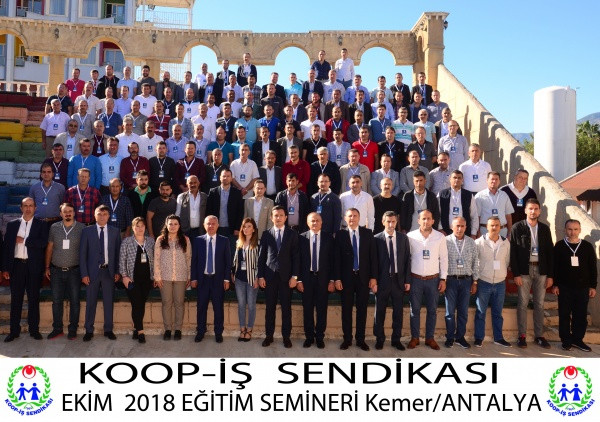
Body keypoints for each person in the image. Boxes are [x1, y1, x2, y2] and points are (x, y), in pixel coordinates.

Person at [2, 198, 48, 343]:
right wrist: (5, 268)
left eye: (31, 206)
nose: (28, 208)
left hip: (33, 267)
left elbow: (43, 243)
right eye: (25, 206)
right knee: (16, 299)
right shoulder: (12, 225)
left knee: (34, 298)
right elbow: (6, 248)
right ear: (21, 208)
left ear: (35, 208)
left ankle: (34, 330)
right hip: (17, 266)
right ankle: (13, 331)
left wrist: (25, 241)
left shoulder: (42, 224)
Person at [510, 198, 554, 349]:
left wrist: (550, 275)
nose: (533, 211)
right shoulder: (517, 227)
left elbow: (550, 253)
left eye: (535, 209)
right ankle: (522, 335)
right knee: (522, 303)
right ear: (525, 210)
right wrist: (516, 274)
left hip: (541, 270)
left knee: (539, 304)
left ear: (539, 211)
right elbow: (513, 253)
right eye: (530, 208)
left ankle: (539, 336)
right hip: (524, 270)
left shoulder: (545, 229)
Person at [334, 208, 377, 351]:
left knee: (362, 310)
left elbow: (372, 257)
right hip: (346, 278)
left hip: (363, 278)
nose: (352, 218)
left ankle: (360, 340)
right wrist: (337, 279)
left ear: (359, 218)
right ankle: (347, 339)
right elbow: (337, 259)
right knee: (346, 310)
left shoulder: (368, 233)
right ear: (345, 219)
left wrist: (373, 277)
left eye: (355, 216)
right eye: (349, 216)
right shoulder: (340, 235)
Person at [258, 206, 300, 348]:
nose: (278, 218)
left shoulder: (292, 234)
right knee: (270, 308)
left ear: (286, 217)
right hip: (269, 277)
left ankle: (286, 337)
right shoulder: (266, 234)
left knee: (286, 308)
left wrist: (294, 277)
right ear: (271, 218)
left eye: (281, 215)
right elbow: (261, 257)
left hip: (286, 278)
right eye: (276, 215)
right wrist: (260, 276)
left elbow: (296, 257)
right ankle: (269, 336)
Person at [553, 219, 597, 352]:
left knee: (581, 315)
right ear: (565, 230)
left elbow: (593, 268)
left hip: (582, 288)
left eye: (575, 229)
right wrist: (555, 285)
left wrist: (593, 286)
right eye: (570, 229)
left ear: (580, 230)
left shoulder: (587, 246)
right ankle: (566, 341)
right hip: (564, 287)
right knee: (564, 315)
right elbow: (555, 267)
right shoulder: (559, 246)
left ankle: (578, 340)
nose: (573, 232)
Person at [406, 210, 448, 350]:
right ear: (418, 220)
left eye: (429, 218)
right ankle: (415, 338)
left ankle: (430, 338)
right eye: (423, 218)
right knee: (414, 310)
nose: (426, 221)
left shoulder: (440, 237)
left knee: (432, 310)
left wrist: (443, 279)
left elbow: (444, 259)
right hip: (415, 279)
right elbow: (406, 259)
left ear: (433, 221)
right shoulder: (410, 236)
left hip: (433, 280)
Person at [80, 205, 121, 342]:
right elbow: (82, 254)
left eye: (105, 214)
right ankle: (88, 330)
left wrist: (117, 271)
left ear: (109, 216)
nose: (102, 216)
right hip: (92, 273)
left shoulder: (115, 231)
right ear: (94, 215)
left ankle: (108, 329)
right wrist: (84, 274)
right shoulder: (87, 231)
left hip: (109, 272)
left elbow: (117, 253)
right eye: (99, 214)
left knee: (108, 302)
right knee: (90, 301)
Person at [44, 202, 84, 340]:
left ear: (74, 213)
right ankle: (57, 328)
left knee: (75, 301)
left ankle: (73, 329)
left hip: (74, 271)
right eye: (65, 211)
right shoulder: (54, 227)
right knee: (56, 301)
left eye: (70, 211)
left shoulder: (81, 228)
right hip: (56, 271)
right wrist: (47, 267)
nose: (67, 214)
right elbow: (50, 247)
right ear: (60, 214)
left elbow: (85, 250)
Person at [373, 211, 411, 350]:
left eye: (393, 222)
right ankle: (379, 339)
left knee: (398, 313)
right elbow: (373, 262)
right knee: (379, 312)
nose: (391, 224)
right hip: (382, 281)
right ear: (383, 222)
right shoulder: (376, 238)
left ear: (396, 222)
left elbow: (407, 260)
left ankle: (396, 340)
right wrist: (374, 281)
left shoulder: (403, 238)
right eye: (388, 221)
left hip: (398, 281)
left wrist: (407, 280)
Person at [191, 215, 231, 343]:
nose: (211, 226)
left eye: (213, 223)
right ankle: (200, 331)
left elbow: (228, 262)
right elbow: (194, 261)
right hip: (202, 280)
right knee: (201, 307)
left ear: (218, 225)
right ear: (204, 225)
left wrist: (227, 279)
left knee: (218, 308)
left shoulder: (224, 240)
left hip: (218, 280)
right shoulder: (198, 240)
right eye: (208, 223)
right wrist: (193, 278)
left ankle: (218, 333)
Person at [297, 212, 334, 349]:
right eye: (312, 220)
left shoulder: (328, 238)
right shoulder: (301, 238)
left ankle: (319, 337)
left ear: (321, 222)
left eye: (317, 220)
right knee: (307, 309)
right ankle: (309, 337)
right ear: (308, 223)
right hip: (306, 278)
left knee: (321, 309)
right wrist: (299, 280)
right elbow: (298, 261)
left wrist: (331, 280)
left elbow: (333, 260)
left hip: (323, 279)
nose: (315, 223)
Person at [474, 216, 511, 348]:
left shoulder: (505, 243)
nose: (494, 228)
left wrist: (501, 273)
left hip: (500, 283)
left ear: (500, 227)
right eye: (492, 225)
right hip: (484, 281)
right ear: (486, 227)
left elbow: (506, 261)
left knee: (498, 313)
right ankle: (479, 338)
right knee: (480, 312)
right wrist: (476, 280)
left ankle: (498, 338)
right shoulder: (479, 242)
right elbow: (475, 262)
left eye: (497, 225)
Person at [154, 215, 191, 341]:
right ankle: (168, 329)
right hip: (165, 276)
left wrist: (189, 276)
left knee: (179, 302)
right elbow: (157, 259)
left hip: (181, 276)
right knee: (166, 303)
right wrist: (157, 276)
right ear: (166, 225)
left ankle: (178, 329)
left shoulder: (185, 239)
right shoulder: (160, 240)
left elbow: (188, 258)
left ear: (179, 226)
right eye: (170, 224)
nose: (173, 226)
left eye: (175, 224)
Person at [444, 217, 479, 349]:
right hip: (451, 280)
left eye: (462, 226)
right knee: (450, 312)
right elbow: (441, 261)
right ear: (451, 227)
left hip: (466, 281)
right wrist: (443, 279)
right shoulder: (445, 241)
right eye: (457, 226)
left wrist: (475, 281)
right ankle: (450, 337)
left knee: (463, 311)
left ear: (466, 227)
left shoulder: (471, 242)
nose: (459, 229)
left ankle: (460, 337)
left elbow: (476, 262)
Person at [119, 217, 154, 344]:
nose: (140, 228)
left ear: (145, 227)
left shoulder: (150, 241)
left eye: (142, 226)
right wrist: (124, 276)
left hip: (146, 279)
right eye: (137, 226)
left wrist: (155, 276)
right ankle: (140, 332)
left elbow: (155, 259)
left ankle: (136, 328)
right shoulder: (127, 242)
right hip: (131, 279)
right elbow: (122, 260)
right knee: (137, 303)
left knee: (140, 304)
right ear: (133, 228)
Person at [231, 218, 260, 342]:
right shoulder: (239, 242)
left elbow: (260, 263)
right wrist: (233, 273)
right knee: (241, 304)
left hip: (252, 278)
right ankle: (242, 329)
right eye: (244, 226)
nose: (246, 229)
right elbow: (235, 260)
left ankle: (249, 330)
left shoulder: (258, 243)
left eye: (249, 226)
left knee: (251, 305)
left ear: (253, 229)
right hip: (239, 279)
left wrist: (258, 278)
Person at [206, 169, 244, 252]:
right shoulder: (213, 192)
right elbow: (208, 212)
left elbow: (240, 212)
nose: (225, 178)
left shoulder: (237, 193)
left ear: (231, 178)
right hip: (216, 228)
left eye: (228, 176)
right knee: (217, 252)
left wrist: (237, 228)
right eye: (224, 176)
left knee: (231, 253)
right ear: (220, 178)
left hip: (232, 229)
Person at [437, 170, 478, 237]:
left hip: (464, 233)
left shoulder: (468, 195)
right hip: (446, 232)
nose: (457, 180)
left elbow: (474, 215)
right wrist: (440, 229)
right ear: (450, 179)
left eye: (459, 178)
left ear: (462, 180)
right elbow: (438, 213)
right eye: (455, 177)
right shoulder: (442, 194)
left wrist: (473, 233)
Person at [475, 171, 514, 239]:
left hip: (502, 231)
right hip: (485, 231)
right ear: (487, 180)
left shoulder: (504, 195)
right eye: (492, 179)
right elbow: (477, 216)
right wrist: (478, 233)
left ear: (499, 181)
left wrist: (509, 233)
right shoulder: (479, 196)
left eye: (496, 179)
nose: (494, 181)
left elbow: (508, 215)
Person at [29, 163, 65, 228]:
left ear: (53, 174)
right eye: (44, 172)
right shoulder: (34, 188)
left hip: (55, 222)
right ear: (41, 174)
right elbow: (31, 205)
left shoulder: (60, 188)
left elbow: (62, 205)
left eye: (49, 172)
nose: (46, 174)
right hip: (38, 222)